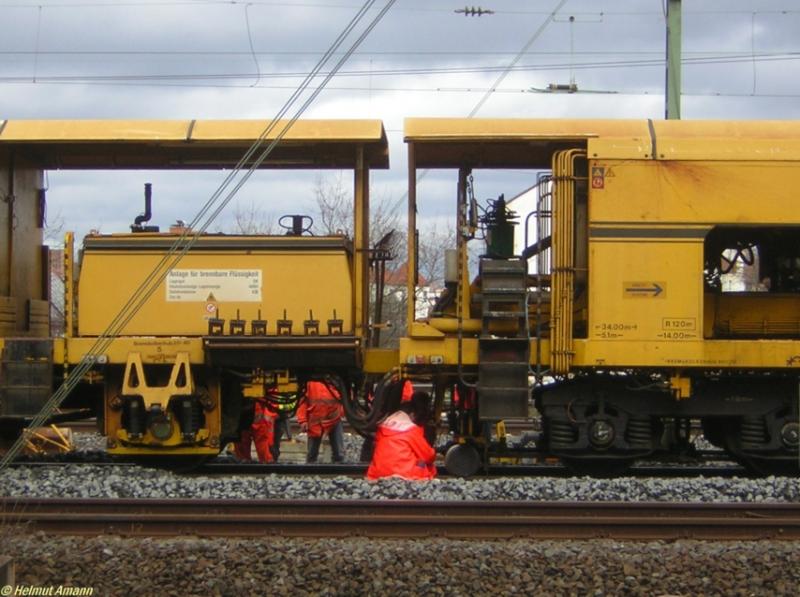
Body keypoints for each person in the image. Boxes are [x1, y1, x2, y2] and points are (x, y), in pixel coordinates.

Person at [366, 391, 437, 481]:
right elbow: (428, 456)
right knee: (425, 463)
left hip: (377, 473)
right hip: (406, 474)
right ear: (411, 415)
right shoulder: (411, 430)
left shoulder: (382, 427)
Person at [297, 380, 345, 463]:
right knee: (312, 454)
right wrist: (303, 420)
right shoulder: (310, 382)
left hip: (333, 419)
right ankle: (312, 472)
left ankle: (336, 471)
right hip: (318, 421)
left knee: (339, 454)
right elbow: (303, 401)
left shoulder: (335, 380)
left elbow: (345, 398)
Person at [234, 398, 278, 463]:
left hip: (245, 411)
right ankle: (266, 462)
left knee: (242, 438)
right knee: (259, 440)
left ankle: (244, 461)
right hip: (255, 411)